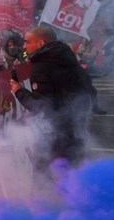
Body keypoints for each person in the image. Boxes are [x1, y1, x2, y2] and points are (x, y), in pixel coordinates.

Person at [9, 26, 90, 169]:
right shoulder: (69, 59)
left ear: (40, 43)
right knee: (72, 172)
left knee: (48, 174)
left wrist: (19, 91)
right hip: (75, 129)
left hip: (54, 136)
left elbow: (41, 106)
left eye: (27, 42)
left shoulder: (42, 67)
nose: (24, 46)